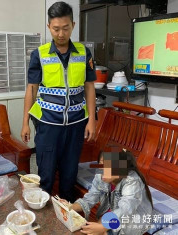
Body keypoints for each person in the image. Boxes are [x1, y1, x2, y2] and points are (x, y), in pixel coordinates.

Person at [21, 1, 96, 202]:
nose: (61, 34)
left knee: (69, 172)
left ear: (73, 24)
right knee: (45, 171)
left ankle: (66, 211)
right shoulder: (39, 54)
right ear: (49, 27)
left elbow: (89, 87)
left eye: (65, 28)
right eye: (56, 29)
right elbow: (31, 89)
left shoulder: (84, 53)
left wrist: (92, 120)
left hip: (76, 123)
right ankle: (44, 213)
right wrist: (25, 122)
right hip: (47, 124)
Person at [68, 150, 153, 235]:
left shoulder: (132, 180)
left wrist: (103, 227)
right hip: (113, 211)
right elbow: (90, 198)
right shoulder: (100, 175)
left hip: (132, 219)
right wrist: (70, 207)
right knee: (90, 231)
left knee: (100, 230)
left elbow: (125, 210)